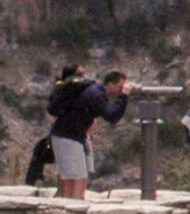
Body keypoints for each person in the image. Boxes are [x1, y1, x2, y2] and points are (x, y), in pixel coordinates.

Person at [50, 68, 131, 200]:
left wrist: (83, 140)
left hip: (66, 135)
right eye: (119, 87)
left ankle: (69, 211)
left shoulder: (94, 91)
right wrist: (124, 96)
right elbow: (112, 116)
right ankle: (75, 213)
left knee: (72, 180)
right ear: (110, 84)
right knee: (79, 181)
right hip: (68, 137)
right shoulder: (97, 95)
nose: (120, 90)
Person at [30, 64, 83, 187]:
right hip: (67, 136)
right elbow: (52, 115)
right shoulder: (63, 94)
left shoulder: (64, 92)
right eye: (80, 75)